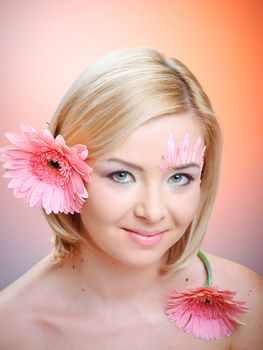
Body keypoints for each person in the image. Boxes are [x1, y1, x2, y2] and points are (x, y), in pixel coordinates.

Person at [0, 47, 262, 349]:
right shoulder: (11, 329)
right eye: (122, 176)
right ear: (64, 173)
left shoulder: (246, 302)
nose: (152, 212)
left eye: (179, 178)